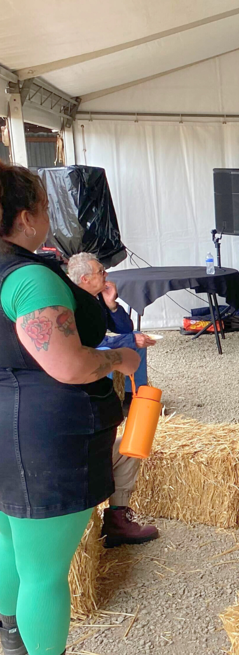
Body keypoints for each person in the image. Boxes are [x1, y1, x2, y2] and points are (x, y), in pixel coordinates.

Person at [0, 162, 140, 655]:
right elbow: (69, 365)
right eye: (42, 207)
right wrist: (121, 358)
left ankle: (12, 638)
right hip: (38, 438)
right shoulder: (29, 279)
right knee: (43, 574)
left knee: (10, 543)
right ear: (24, 216)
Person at [66, 253, 160, 548]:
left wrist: (111, 303)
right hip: (75, 446)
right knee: (133, 344)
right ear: (84, 279)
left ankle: (117, 519)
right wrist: (128, 344)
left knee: (129, 447)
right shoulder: (71, 307)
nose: (106, 274)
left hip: (95, 413)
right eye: (99, 271)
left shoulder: (93, 298)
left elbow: (121, 327)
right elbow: (90, 347)